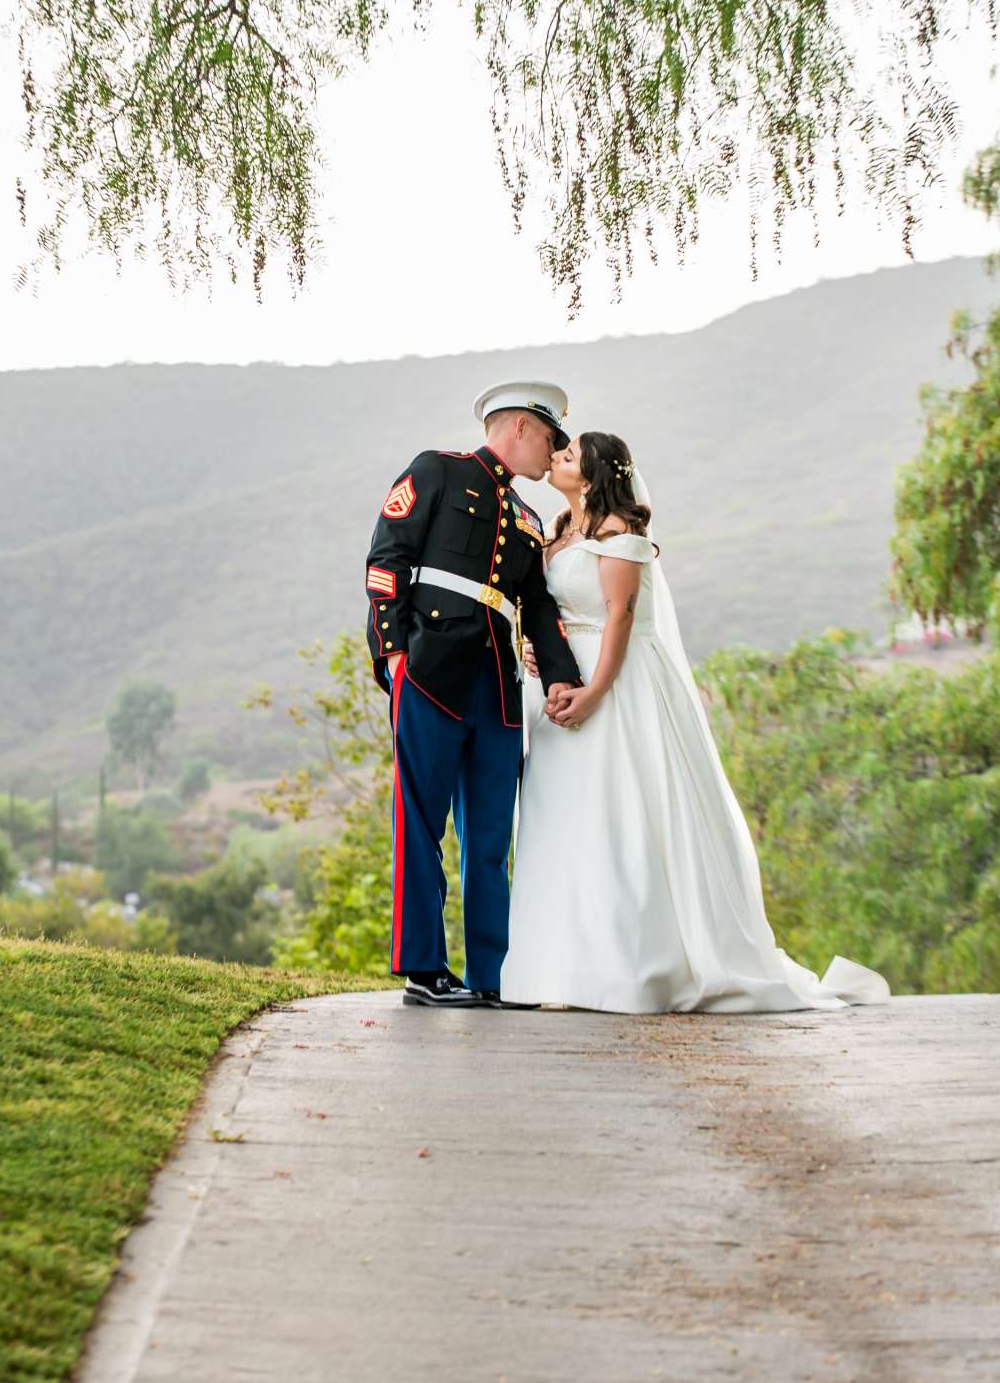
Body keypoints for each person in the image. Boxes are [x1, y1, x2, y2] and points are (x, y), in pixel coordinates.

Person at [501, 430, 891, 1014]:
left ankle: (639, 965)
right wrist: (539, 654)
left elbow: (619, 618)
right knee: (563, 817)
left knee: (623, 812)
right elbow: (551, 615)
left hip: (617, 685)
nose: (556, 457)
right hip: (556, 691)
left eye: (569, 453)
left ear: (595, 472)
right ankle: (563, 968)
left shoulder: (620, 535)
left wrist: (596, 692)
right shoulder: (558, 535)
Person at [364, 381, 584, 1008]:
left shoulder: (529, 518)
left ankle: (494, 975)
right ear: (517, 427)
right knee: (422, 822)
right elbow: (387, 559)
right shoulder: (436, 471)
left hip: (499, 687)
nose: (553, 452)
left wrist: (561, 676)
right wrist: (393, 651)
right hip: (431, 672)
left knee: (490, 838)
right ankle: (424, 967)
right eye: (549, 437)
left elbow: (537, 605)